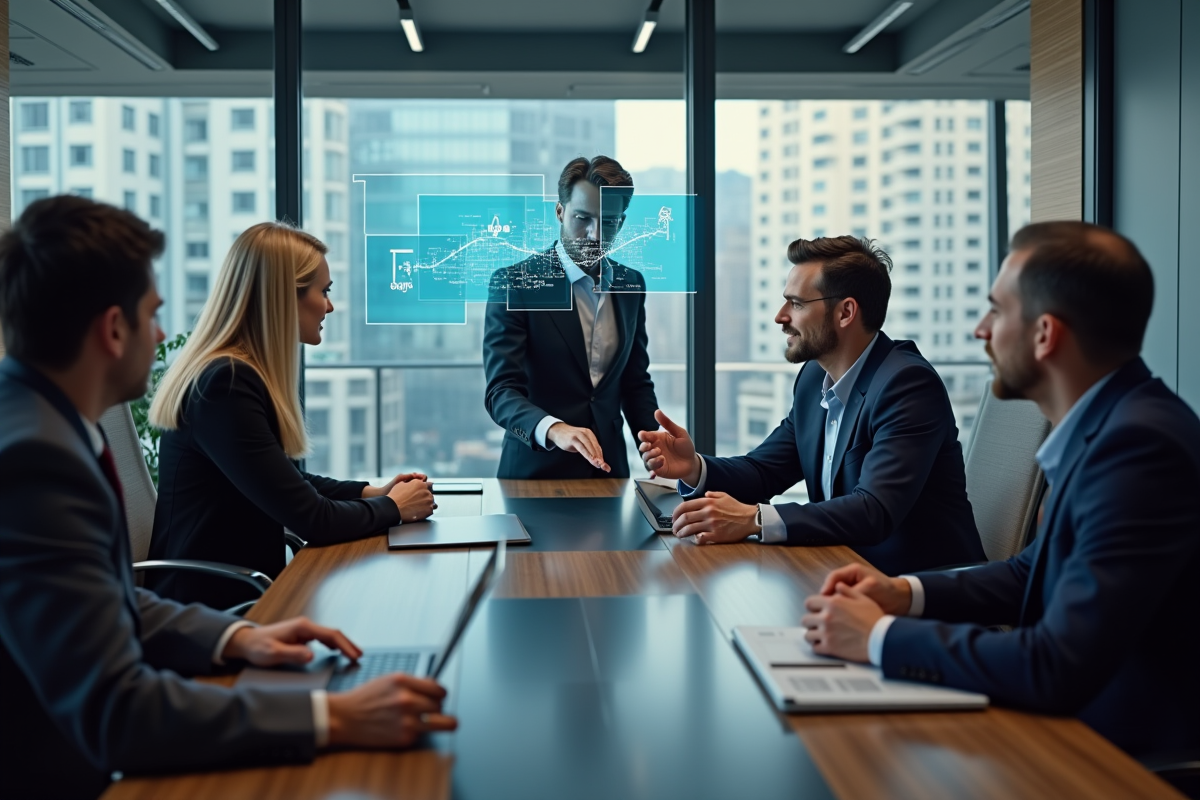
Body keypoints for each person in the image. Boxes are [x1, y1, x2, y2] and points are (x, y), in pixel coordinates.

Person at [0, 196, 455, 800]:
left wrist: (237, 638)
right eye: (152, 314)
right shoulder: (37, 460)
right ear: (113, 329)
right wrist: (332, 716)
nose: (164, 336)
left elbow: (109, 597)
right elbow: (118, 710)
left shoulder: (43, 426)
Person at [801, 222, 1200, 762]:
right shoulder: (1107, 425)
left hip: (1123, 757)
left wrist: (879, 638)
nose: (981, 330)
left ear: (1044, 334)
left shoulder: (1138, 447)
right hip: (1073, 723)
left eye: (996, 310)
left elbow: (1056, 665)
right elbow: (1029, 571)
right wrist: (903, 594)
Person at [639, 236, 984, 575]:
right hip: (841, 576)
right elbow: (764, 471)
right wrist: (694, 467)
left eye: (797, 304)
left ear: (846, 312)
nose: (780, 316)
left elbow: (873, 511)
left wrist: (754, 519)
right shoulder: (812, 381)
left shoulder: (906, 385)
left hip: (923, 594)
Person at [147, 222, 435, 610]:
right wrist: (394, 508)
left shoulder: (238, 373)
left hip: (241, 594)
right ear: (283, 297)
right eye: (324, 291)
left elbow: (287, 481)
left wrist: (372, 493)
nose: (330, 306)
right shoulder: (225, 384)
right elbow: (312, 519)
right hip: (212, 609)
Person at [483, 155, 659, 479]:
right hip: (533, 477)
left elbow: (635, 383)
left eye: (607, 222)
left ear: (620, 223)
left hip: (609, 474)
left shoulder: (632, 284)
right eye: (582, 218)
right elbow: (501, 392)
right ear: (560, 212)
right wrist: (555, 429)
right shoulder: (516, 284)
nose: (594, 235)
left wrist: (656, 448)